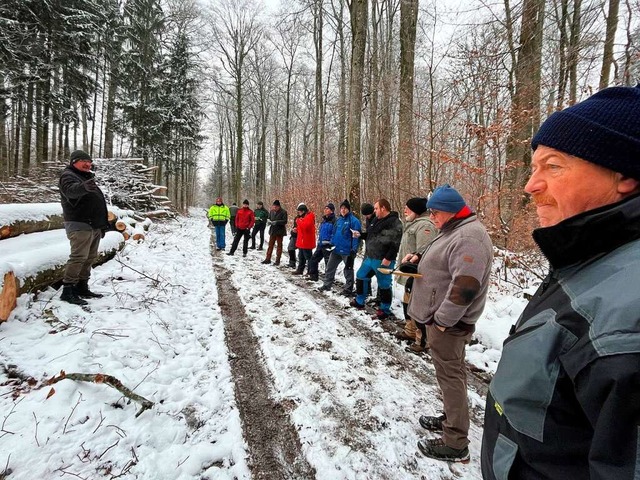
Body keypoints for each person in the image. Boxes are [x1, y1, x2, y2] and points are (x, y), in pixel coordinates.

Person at [482, 86, 640, 479]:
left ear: (625, 175)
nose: (530, 185)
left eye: (553, 166)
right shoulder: (588, 260)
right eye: (534, 168)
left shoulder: (627, 318)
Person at [405, 184, 492, 463]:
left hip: (449, 325)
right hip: (441, 320)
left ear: (451, 211)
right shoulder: (454, 229)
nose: (432, 217)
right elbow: (443, 264)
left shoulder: (470, 237)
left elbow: (464, 286)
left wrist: (442, 321)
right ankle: (450, 417)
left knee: (451, 376)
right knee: (447, 374)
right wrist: (417, 260)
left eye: (435, 212)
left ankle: (455, 442)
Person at [58, 149, 109, 306]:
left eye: (89, 162)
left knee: (89, 257)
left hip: (93, 225)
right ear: (74, 162)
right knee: (78, 257)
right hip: (80, 224)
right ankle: (68, 290)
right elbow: (70, 191)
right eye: (83, 161)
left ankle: (81, 286)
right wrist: (83, 187)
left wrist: (103, 225)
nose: (88, 164)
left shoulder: (83, 177)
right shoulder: (68, 176)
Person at [394, 197, 437, 354]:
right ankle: (410, 331)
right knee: (408, 304)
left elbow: (425, 251)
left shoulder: (425, 226)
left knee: (418, 307)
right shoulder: (414, 223)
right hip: (410, 271)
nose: (405, 210)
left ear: (416, 210)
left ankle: (422, 341)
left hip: (419, 274)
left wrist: (415, 269)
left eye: (408, 208)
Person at [350, 199, 403, 319]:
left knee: (384, 284)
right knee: (361, 275)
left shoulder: (394, 221)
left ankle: (384, 310)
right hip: (371, 257)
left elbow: (396, 242)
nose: (374, 211)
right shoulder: (375, 220)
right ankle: (360, 301)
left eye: (376, 208)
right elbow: (370, 235)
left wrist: (388, 258)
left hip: (383, 259)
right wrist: (360, 235)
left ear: (383, 208)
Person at [319, 199, 361, 295]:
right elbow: (334, 233)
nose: (343, 210)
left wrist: (354, 249)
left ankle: (348, 288)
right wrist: (331, 243)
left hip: (347, 250)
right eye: (341, 208)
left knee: (348, 270)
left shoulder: (354, 221)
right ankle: (327, 284)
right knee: (330, 267)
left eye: (345, 208)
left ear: (349, 210)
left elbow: (356, 237)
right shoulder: (338, 220)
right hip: (336, 249)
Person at [306, 203, 336, 281]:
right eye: (325, 208)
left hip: (328, 245)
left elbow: (334, 233)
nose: (325, 210)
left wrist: (331, 242)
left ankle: (328, 280)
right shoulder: (324, 220)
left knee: (328, 264)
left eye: (327, 209)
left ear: (332, 211)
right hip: (321, 244)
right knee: (313, 259)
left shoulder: (334, 221)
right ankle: (313, 276)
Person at [292, 203, 316, 275]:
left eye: (299, 212)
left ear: (303, 211)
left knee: (308, 257)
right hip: (302, 241)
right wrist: (296, 229)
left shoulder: (309, 217)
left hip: (307, 241)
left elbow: (306, 227)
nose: (298, 214)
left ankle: (310, 272)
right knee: (301, 256)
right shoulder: (303, 218)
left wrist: (298, 221)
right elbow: (302, 228)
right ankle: (300, 269)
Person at [262, 200, 288, 266]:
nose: (274, 208)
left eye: (276, 207)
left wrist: (276, 222)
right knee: (270, 245)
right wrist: (268, 221)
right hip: (272, 231)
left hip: (280, 231)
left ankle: (277, 260)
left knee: (279, 246)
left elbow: (285, 221)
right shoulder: (271, 211)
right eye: (273, 206)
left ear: (279, 206)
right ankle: (268, 259)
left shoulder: (284, 212)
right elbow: (269, 218)